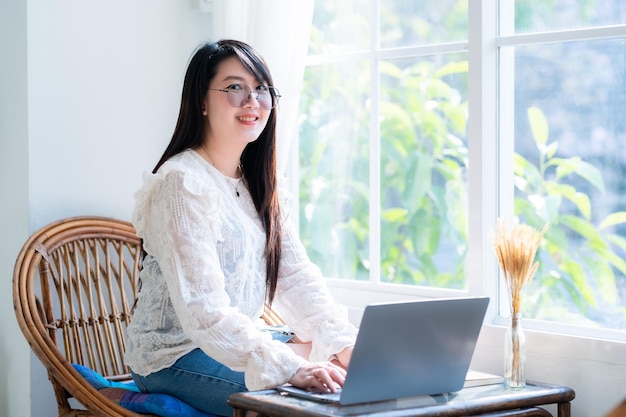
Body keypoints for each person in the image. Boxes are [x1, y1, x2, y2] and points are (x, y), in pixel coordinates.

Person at [125, 39, 358, 417]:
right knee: (312, 404)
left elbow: (295, 278)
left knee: (350, 372)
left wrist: (346, 346)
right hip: (174, 358)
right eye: (235, 88)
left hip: (226, 342)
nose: (253, 102)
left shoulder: (259, 184)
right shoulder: (181, 183)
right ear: (201, 100)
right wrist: (292, 367)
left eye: (262, 89)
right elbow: (203, 310)